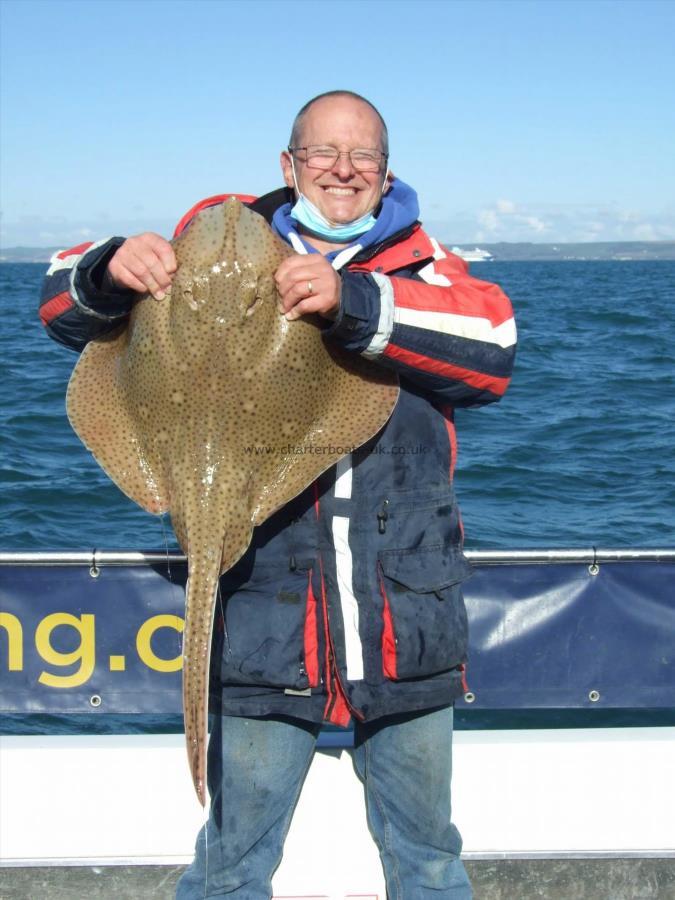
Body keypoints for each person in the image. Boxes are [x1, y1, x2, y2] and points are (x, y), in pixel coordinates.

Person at [40, 90, 516, 899]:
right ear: (288, 165)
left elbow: (492, 348)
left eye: (361, 154)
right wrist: (110, 269)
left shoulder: (426, 269)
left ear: (385, 171)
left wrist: (351, 300)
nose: (341, 169)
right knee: (231, 863)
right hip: (264, 615)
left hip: (403, 618)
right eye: (322, 153)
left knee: (428, 860)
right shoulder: (192, 258)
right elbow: (58, 301)